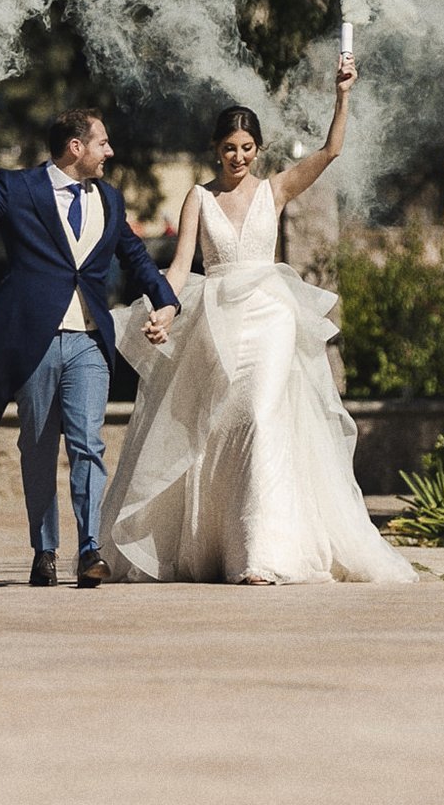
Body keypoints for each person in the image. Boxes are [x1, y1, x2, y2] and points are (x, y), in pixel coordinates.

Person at [103, 54, 417, 585]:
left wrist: (342, 94)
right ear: (216, 148)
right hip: (217, 316)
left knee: (261, 415)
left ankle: (261, 555)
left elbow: (331, 151)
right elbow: (179, 267)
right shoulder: (199, 197)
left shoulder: (275, 190)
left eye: (247, 148)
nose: (239, 157)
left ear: (258, 150)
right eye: (230, 148)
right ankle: (220, 545)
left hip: (270, 314)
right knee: (221, 423)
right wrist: (163, 309)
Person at [0, 108, 179, 587]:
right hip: (33, 341)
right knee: (37, 447)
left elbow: (136, 257)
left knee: (88, 443)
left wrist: (165, 301)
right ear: (76, 147)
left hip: (89, 341)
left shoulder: (109, 198)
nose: (110, 151)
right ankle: (44, 550)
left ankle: (90, 548)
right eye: (102, 142)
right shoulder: (18, 188)